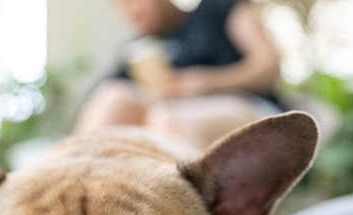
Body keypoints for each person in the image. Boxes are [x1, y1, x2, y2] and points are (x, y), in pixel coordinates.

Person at [73, 0, 283, 149]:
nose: (131, 12)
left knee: (166, 118)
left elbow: (269, 66)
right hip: (171, 112)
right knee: (114, 97)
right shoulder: (141, 49)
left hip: (248, 106)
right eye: (123, 6)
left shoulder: (218, 8)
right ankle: (68, 191)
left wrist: (209, 82)